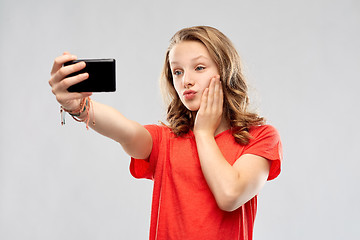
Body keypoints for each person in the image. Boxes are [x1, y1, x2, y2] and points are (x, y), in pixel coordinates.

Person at [49, 26, 282, 240]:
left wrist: (203, 133)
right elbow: (126, 132)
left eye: (199, 68)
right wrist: (79, 107)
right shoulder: (165, 140)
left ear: (225, 70)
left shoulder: (260, 138)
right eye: (177, 72)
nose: (186, 81)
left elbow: (230, 194)